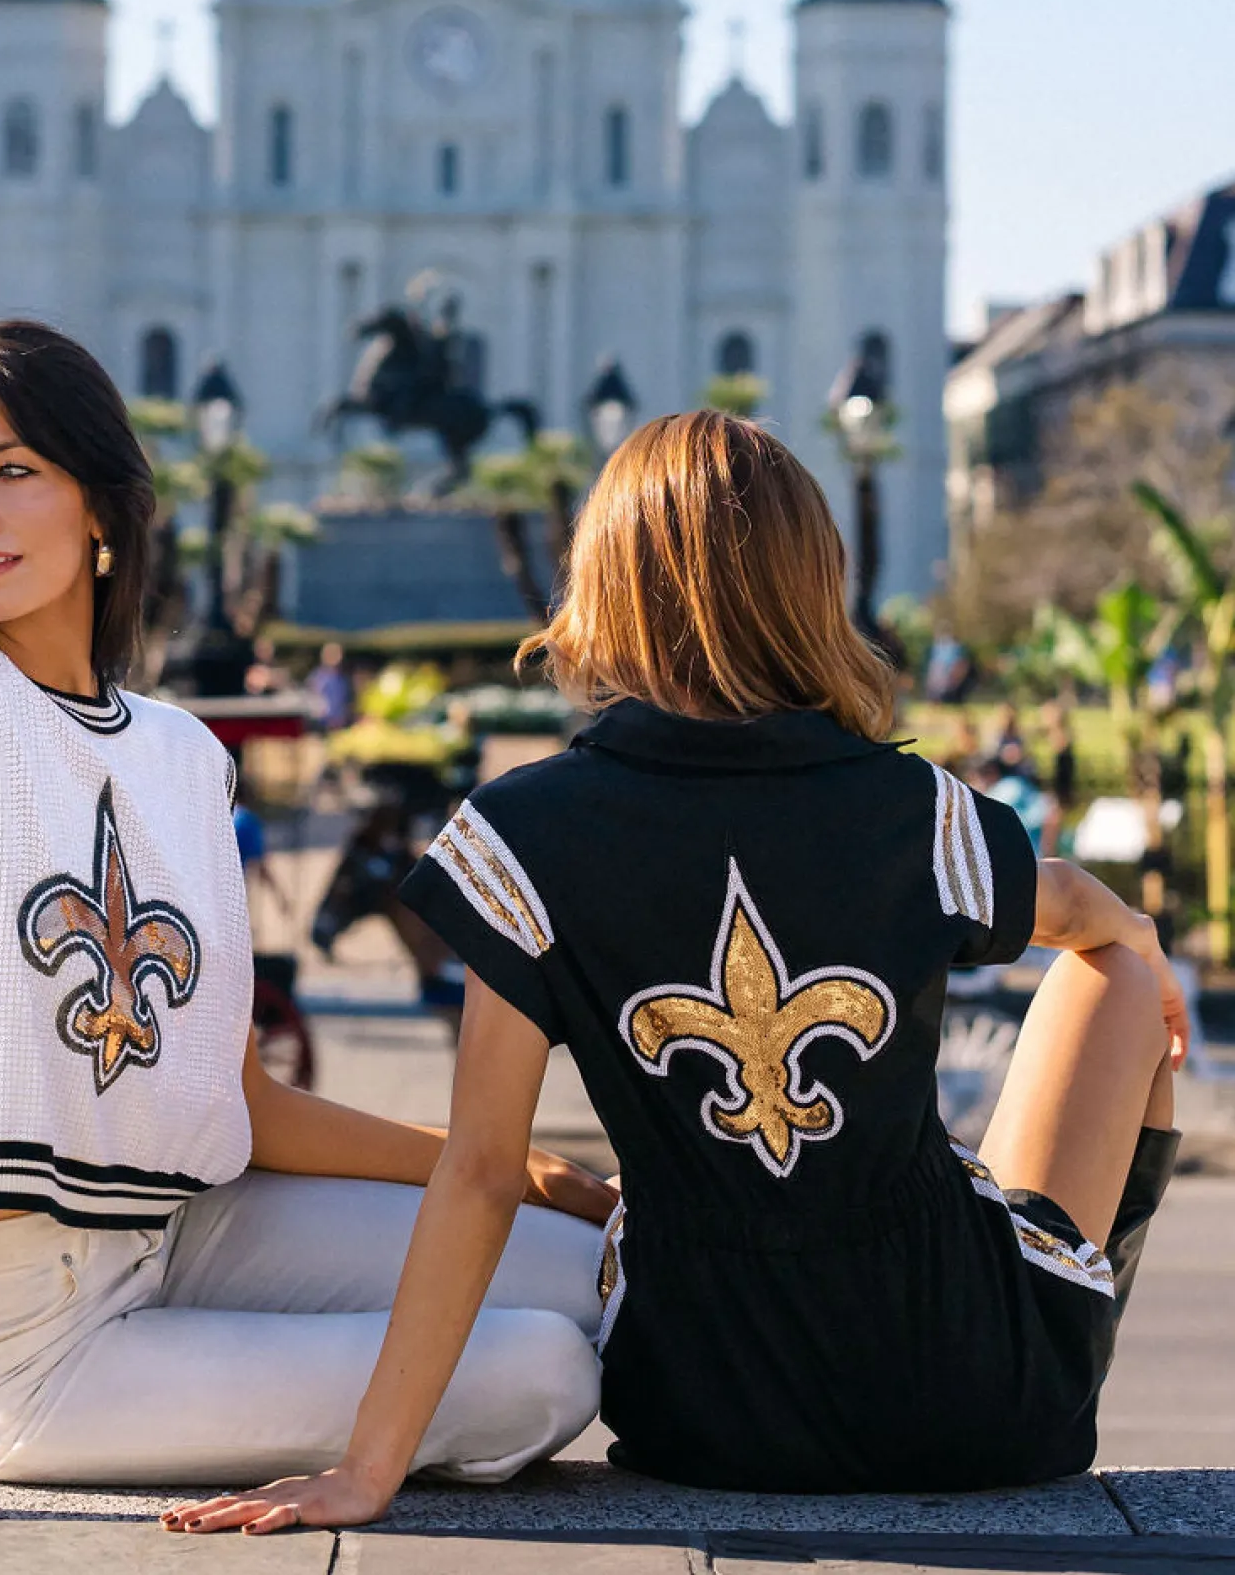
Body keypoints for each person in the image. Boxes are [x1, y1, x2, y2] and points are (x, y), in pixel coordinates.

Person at [0, 321, 610, 1525]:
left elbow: (240, 1105)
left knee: (585, 1268)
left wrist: (514, 1170)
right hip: (17, 1344)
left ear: (99, 504)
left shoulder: (179, 754)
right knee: (541, 1367)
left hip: (186, 1230)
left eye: (13, 470)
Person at [170, 412, 1184, 1533]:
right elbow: (1085, 911)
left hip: (702, 1406)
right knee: (1117, 974)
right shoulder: (915, 813)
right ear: (811, 582)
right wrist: (1140, 954)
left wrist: (368, 1469)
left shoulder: (522, 838)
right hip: (977, 1396)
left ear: (602, 581)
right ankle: (1060, 1305)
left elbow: (478, 1173)